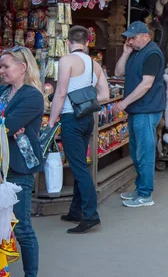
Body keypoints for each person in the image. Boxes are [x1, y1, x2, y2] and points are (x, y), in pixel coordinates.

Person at [48, 26, 110, 234]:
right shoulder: (95, 64)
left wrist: (51, 122)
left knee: (78, 168)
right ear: (87, 42)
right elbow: (104, 96)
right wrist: (83, 99)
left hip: (70, 119)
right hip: (86, 119)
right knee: (80, 164)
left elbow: (60, 93)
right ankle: (76, 210)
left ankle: (91, 215)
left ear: (68, 42)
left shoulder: (66, 61)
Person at [0, 47, 44, 276]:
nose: (2, 71)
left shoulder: (33, 96)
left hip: (18, 168)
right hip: (2, 166)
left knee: (23, 228)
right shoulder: (3, 91)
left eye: (6, 66)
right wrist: (7, 126)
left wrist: (6, 126)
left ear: (22, 67)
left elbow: (5, 126)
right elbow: (7, 126)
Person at [114, 21, 166, 207]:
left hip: (146, 109)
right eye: (128, 37)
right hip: (138, 109)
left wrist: (124, 103)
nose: (130, 41)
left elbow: (146, 84)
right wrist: (126, 53)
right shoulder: (135, 52)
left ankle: (145, 195)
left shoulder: (152, 53)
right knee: (137, 152)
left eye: (133, 37)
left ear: (145, 36)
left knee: (144, 152)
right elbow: (118, 72)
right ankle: (140, 188)